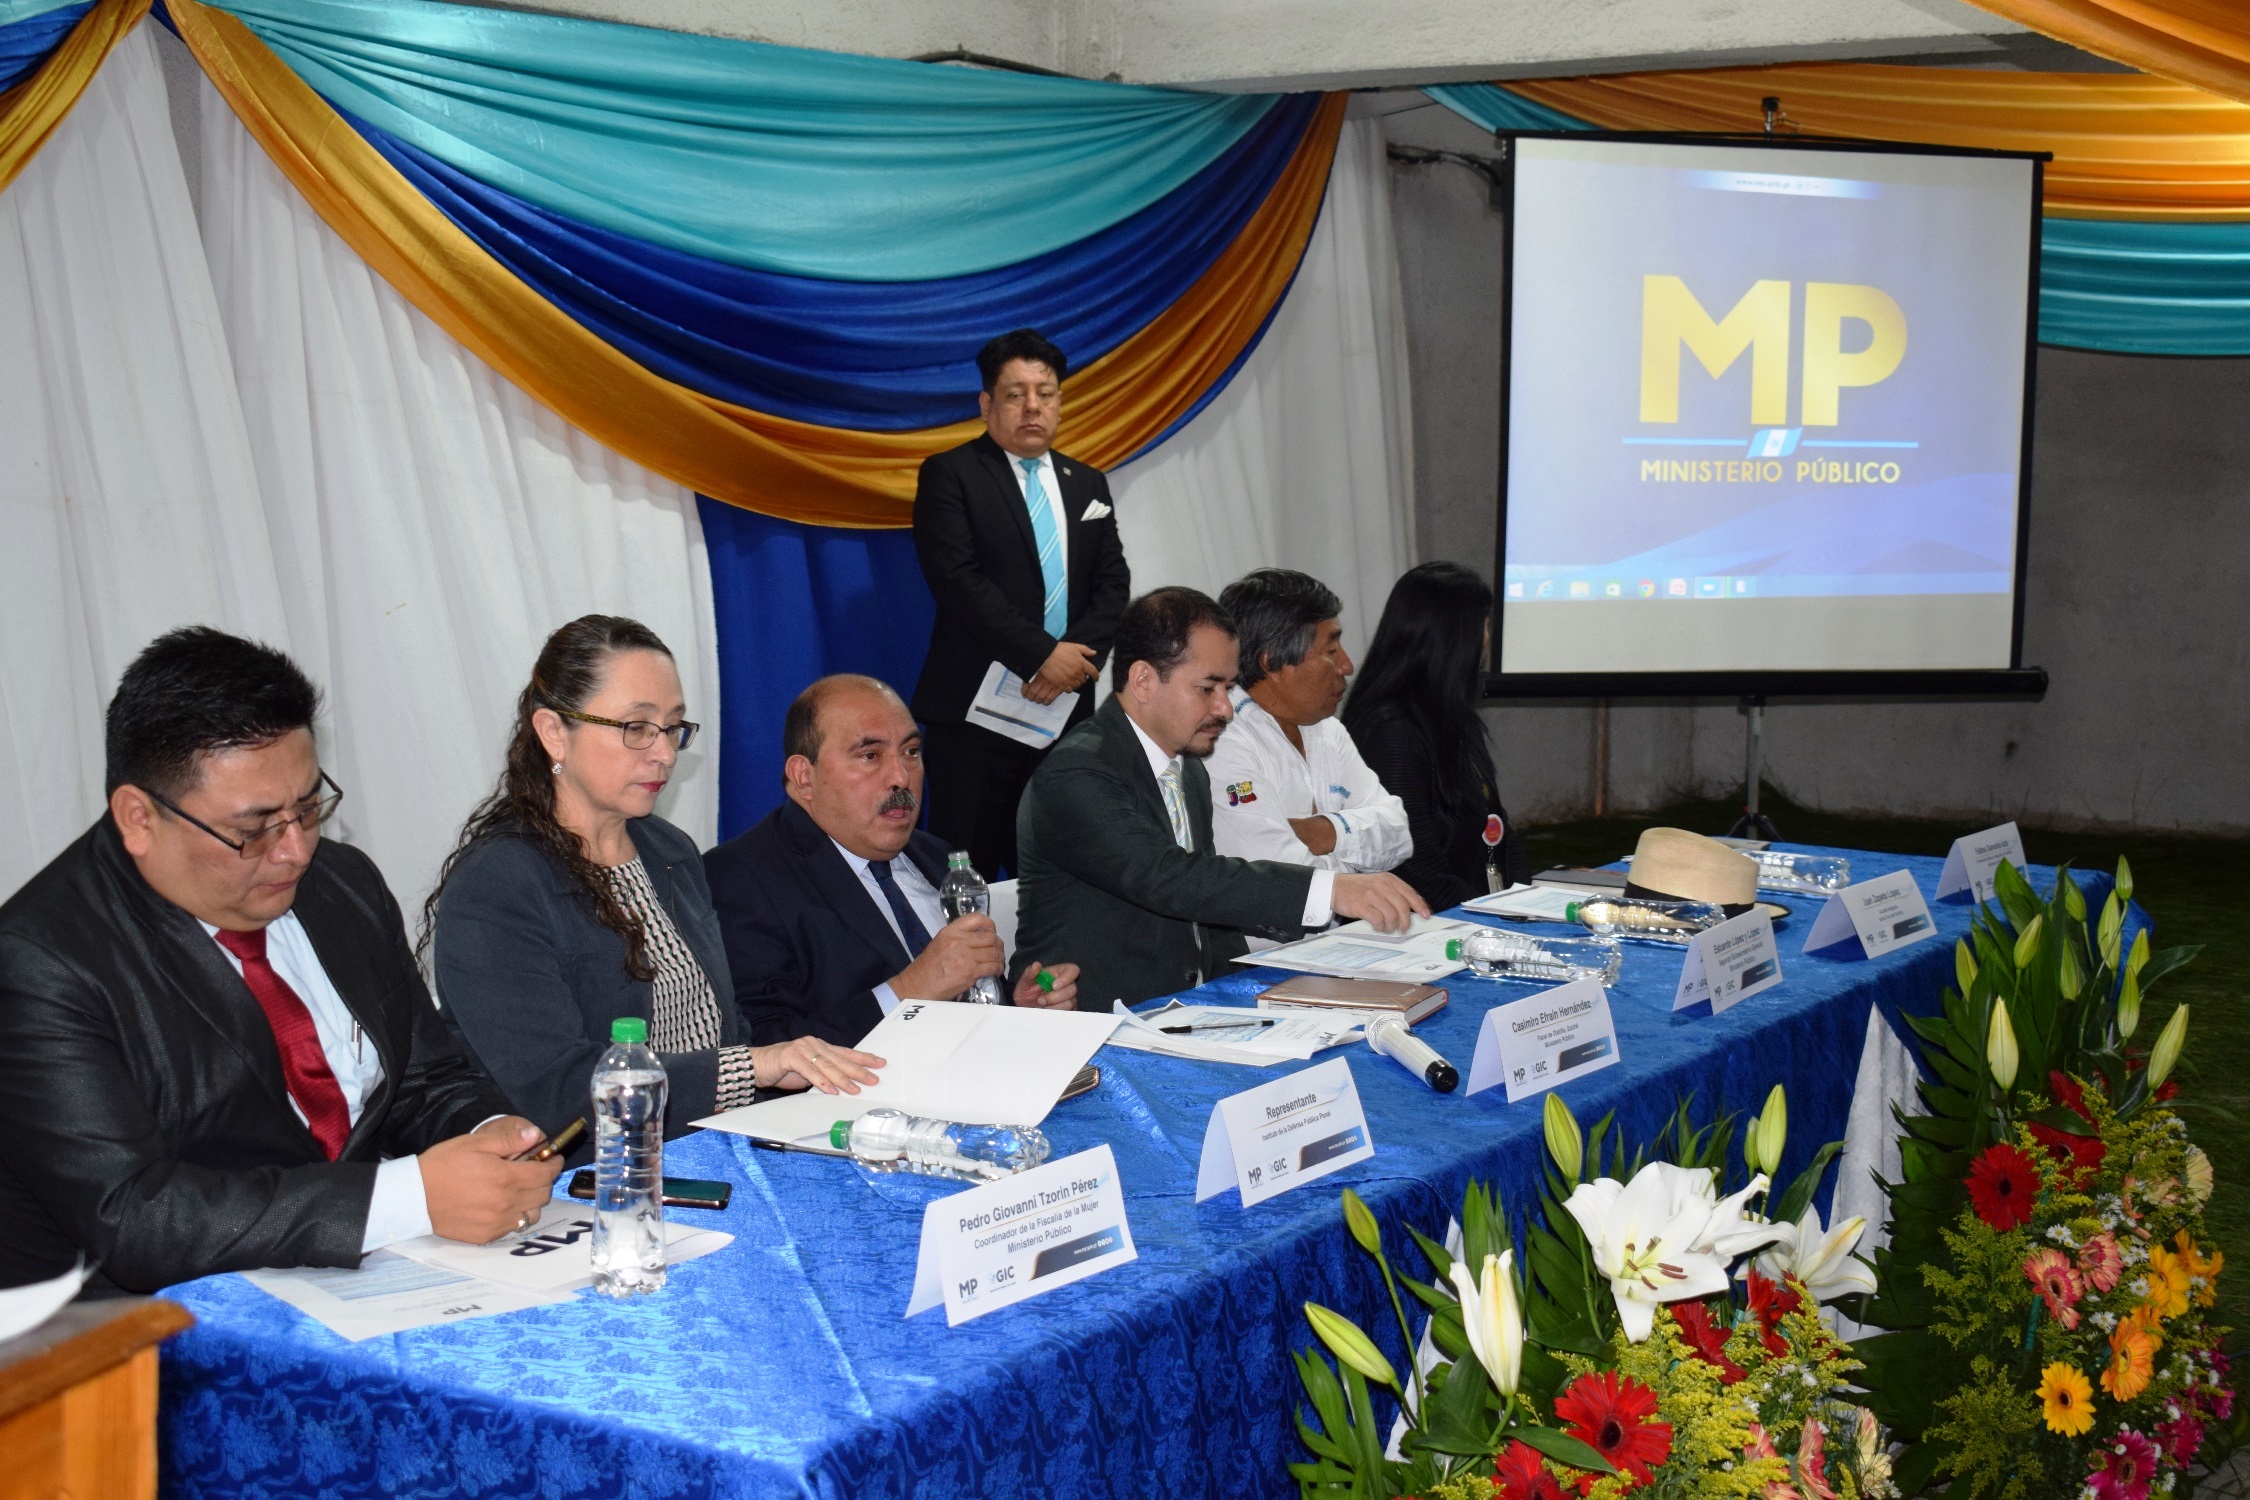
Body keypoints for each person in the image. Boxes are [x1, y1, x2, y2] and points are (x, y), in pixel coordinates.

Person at [0, 628, 557, 1295]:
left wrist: (492, 1135)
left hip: (357, 1283)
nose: (294, 850)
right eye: (252, 829)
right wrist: (406, 1198)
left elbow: (421, 1079)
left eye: (309, 807)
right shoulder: (39, 965)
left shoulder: (340, 884)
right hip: (132, 1340)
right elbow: (136, 1217)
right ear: (139, 818)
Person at [429, 619, 882, 1159]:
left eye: (672, 728)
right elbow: (559, 1089)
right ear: (554, 732)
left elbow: (723, 1023)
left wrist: (773, 1077)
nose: (665, 754)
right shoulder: (498, 884)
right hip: (592, 1181)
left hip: (717, 1147)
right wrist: (755, 1066)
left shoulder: (669, 850)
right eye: (637, 728)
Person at [1014, 588, 1428, 1008]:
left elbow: (1207, 922)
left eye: (1228, 687)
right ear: (1143, 681)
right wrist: (1331, 889)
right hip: (1100, 1026)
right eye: (1208, 688)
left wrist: (1261, 997)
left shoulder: (1187, 767)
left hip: (1185, 1013)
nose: (1226, 709)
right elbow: (1172, 878)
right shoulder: (1077, 774)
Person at [707, 675, 1081, 1049]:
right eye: (870, 756)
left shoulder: (935, 855)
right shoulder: (742, 878)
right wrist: (911, 990)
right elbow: (760, 1048)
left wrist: (1016, 1006)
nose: (901, 777)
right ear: (804, 777)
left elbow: (963, 990)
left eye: (911, 752)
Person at [911, 328, 1132, 880]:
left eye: (1047, 393)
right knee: (973, 866)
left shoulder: (1088, 483)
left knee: (1065, 864)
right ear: (987, 404)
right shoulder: (951, 474)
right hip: (974, 718)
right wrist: (1040, 656)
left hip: (1066, 712)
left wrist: (1073, 666)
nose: (1033, 406)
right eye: (1015, 394)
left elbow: (1113, 585)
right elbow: (957, 581)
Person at [1340, 562, 1531, 909]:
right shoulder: (1392, 732)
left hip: (1470, 917)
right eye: (1484, 627)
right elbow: (1414, 870)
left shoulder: (1451, 715)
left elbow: (1497, 823)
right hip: (1430, 931)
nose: (1487, 641)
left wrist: (1524, 901)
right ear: (1455, 639)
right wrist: (1500, 916)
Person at [1206, 569, 1411, 880]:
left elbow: (1398, 833)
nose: (1347, 665)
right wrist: (1355, 861)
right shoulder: (1220, 737)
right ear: (1272, 663)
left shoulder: (1327, 729)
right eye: (1331, 650)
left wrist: (1324, 830)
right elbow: (1274, 875)